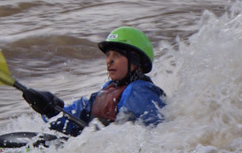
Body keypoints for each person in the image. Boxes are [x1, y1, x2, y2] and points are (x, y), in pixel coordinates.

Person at [23, 27, 166, 136]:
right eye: (108, 55)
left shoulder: (141, 91)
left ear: (135, 61)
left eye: (116, 55)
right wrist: (50, 109)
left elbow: (149, 136)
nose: (109, 60)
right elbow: (76, 116)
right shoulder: (108, 89)